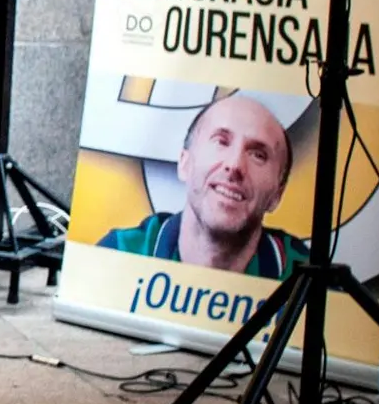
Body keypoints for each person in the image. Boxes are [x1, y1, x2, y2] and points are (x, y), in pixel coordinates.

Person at [97, 94, 307, 280]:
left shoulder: (307, 281)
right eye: (221, 142)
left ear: (277, 196)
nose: (234, 165)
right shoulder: (118, 255)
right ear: (185, 163)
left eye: (258, 155)